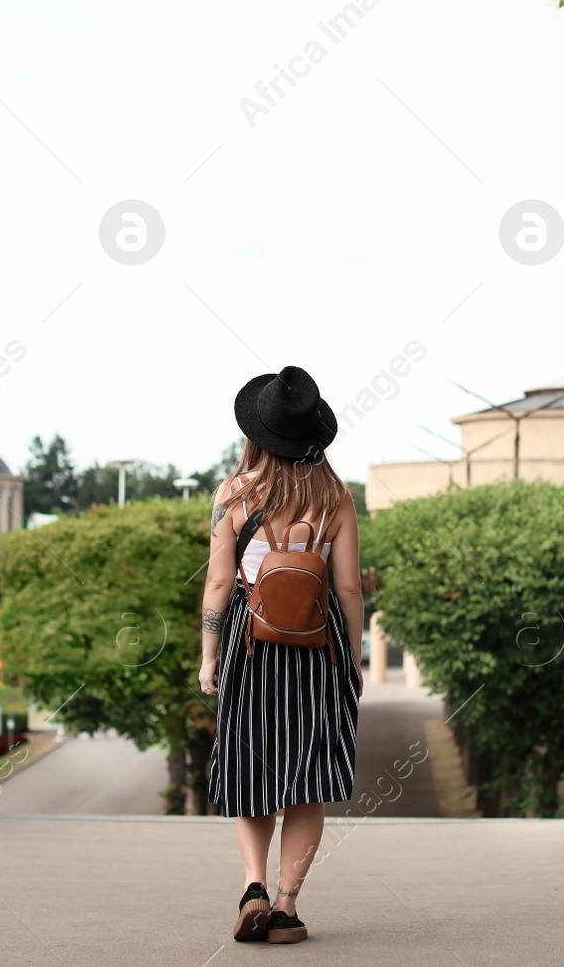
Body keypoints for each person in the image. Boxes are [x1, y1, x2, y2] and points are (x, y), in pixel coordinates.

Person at [200, 366, 363, 945]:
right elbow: (347, 589)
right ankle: (288, 909)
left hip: (251, 640)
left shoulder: (233, 496)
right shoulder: (336, 498)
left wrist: (207, 656)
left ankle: (254, 887)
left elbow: (219, 584)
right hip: (321, 649)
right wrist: (355, 659)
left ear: (257, 435)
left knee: (251, 771)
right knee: (308, 779)